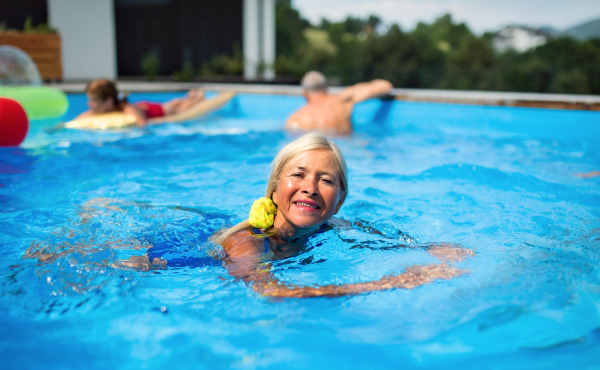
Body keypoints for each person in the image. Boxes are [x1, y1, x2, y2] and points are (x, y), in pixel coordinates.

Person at [212, 132, 473, 298]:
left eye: (325, 180)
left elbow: (373, 233)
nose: (310, 188)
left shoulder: (332, 225)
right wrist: (389, 283)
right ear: (275, 189)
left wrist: (429, 247)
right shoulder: (247, 242)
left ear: (339, 201)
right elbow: (270, 291)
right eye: (298, 175)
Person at [285, 71, 393, 135]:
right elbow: (385, 86)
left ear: (304, 93)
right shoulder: (344, 99)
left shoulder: (295, 119)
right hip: (350, 149)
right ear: (326, 88)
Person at [76, 79, 206, 126]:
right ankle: (189, 97)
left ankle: (194, 99)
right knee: (171, 103)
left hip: (156, 111)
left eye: (93, 100)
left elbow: (141, 123)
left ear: (109, 101)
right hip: (142, 105)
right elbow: (81, 119)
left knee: (176, 109)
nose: (89, 104)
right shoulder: (99, 110)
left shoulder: (125, 108)